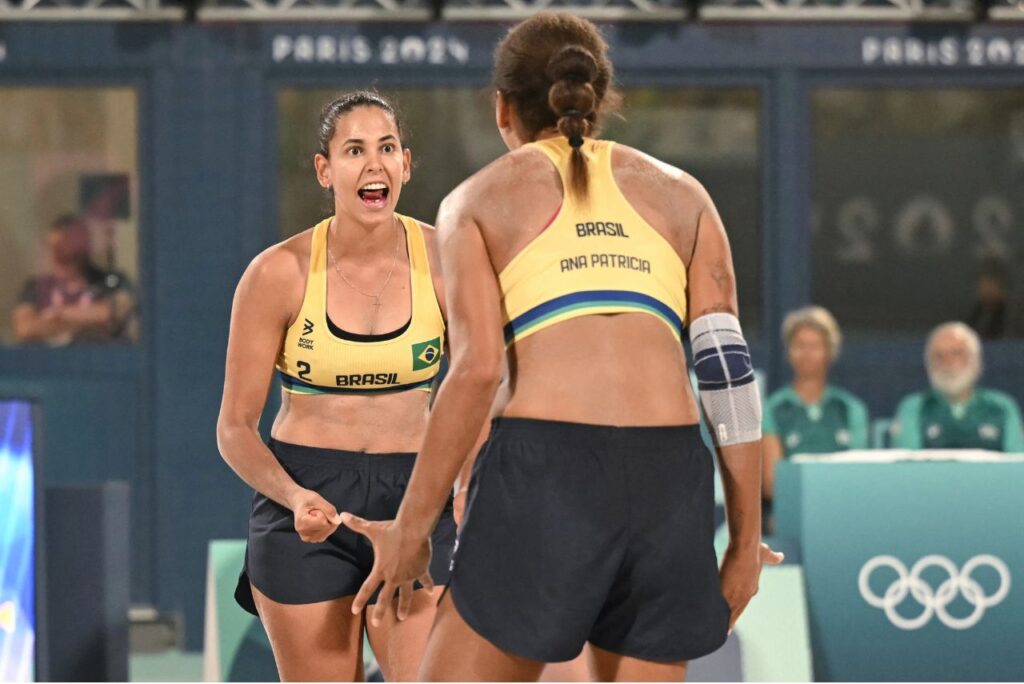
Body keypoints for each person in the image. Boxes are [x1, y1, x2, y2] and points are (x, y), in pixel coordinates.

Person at [340, 14, 782, 681]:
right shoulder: (684, 196)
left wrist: (410, 531)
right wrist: (745, 542)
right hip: (668, 478)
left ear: (502, 109)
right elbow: (727, 373)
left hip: (549, 470)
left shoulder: (478, 200)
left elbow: (477, 371)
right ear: (599, 101)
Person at [216, 91, 456, 681]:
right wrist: (293, 495)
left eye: (387, 148)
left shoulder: (449, 262)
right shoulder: (278, 274)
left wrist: (460, 492)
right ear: (326, 170)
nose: (373, 164)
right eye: (354, 150)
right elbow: (234, 429)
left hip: (416, 497)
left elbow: (486, 388)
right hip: (307, 498)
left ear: (405, 165)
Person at [762, 306, 869, 505]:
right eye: (799, 345)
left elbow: (858, 475)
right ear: (788, 351)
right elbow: (771, 483)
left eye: (815, 346)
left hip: (843, 508)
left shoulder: (851, 408)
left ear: (830, 351)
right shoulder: (773, 408)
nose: (807, 353)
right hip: (790, 512)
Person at [892, 321, 1024, 452]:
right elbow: (906, 465)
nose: (947, 363)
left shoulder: (1001, 407)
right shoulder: (914, 407)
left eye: (956, 353)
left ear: (975, 360)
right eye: (938, 356)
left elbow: (1017, 463)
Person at [11, 213, 135, 345]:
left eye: (64, 249)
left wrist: (61, 314)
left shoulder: (110, 281)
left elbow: (116, 311)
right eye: (53, 249)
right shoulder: (36, 288)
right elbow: (25, 327)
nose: (57, 256)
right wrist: (88, 323)